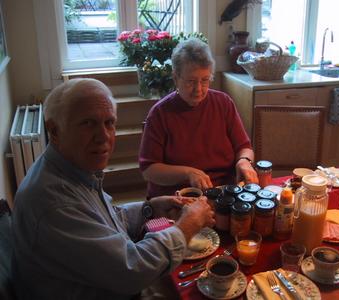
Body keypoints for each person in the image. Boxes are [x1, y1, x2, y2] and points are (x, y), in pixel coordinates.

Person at [11, 78, 215, 300]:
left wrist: (149, 208)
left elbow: (103, 223)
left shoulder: (69, 170)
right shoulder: (54, 203)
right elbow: (133, 270)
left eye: (109, 123)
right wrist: (187, 226)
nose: (103, 137)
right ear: (54, 130)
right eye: (88, 123)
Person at [139, 38, 258, 198]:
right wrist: (188, 173)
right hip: (179, 197)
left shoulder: (223, 103)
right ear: (175, 78)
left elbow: (244, 147)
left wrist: (244, 161)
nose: (199, 89)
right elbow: (149, 170)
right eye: (191, 82)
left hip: (223, 192)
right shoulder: (160, 114)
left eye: (205, 80)